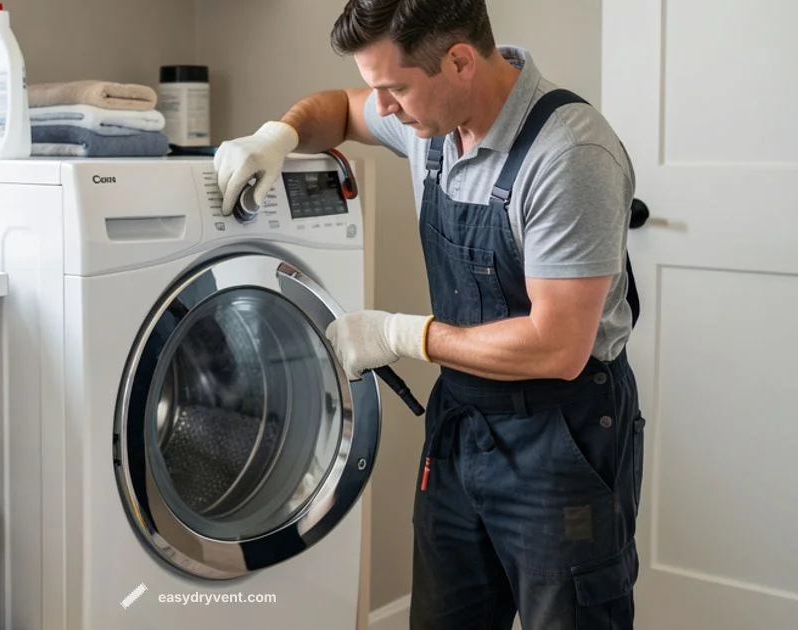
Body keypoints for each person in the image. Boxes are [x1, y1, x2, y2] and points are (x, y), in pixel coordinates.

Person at [212, 1, 645, 628]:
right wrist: (275, 135)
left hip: (562, 440)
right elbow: (338, 108)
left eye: (394, 88)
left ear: (460, 61)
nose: (383, 107)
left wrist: (399, 334)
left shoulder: (569, 155)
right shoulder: (431, 122)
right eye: (376, 87)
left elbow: (558, 345)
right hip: (462, 428)